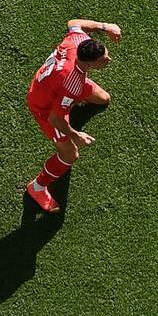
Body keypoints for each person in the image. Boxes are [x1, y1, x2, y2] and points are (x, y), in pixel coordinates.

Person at [25, 19, 122, 213]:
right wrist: (75, 135)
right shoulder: (72, 85)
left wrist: (105, 27)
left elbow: (74, 22)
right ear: (88, 63)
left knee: (103, 98)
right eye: (102, 60)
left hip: (54, 84)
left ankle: (69, 106)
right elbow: (55, 119)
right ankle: (37, 187)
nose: (108, 60)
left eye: (105, 54)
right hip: (44, 107)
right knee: (70, 153)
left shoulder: (77, 40)